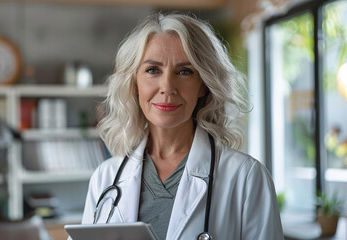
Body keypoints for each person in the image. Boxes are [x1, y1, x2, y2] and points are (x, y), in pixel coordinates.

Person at [80, 13, 283, 239]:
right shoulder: (105, 177)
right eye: (153, 70)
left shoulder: (245, 177)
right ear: (134, 83)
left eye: (184, 72)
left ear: (203, 86)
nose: (167, 87)